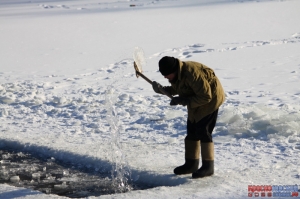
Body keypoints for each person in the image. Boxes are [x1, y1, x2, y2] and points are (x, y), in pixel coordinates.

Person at [152, 56, 225, 178]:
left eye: (167, 75)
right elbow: (178, 88)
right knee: (192, 130)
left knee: (203, 130)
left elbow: (206, 96)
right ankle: (191, 164)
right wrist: (161, 90)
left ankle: (208, 167)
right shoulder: (177, 74)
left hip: (211, 100)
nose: (165, 77)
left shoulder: (192, 73)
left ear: (174, 70)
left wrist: (183, 100)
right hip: (195, 99)